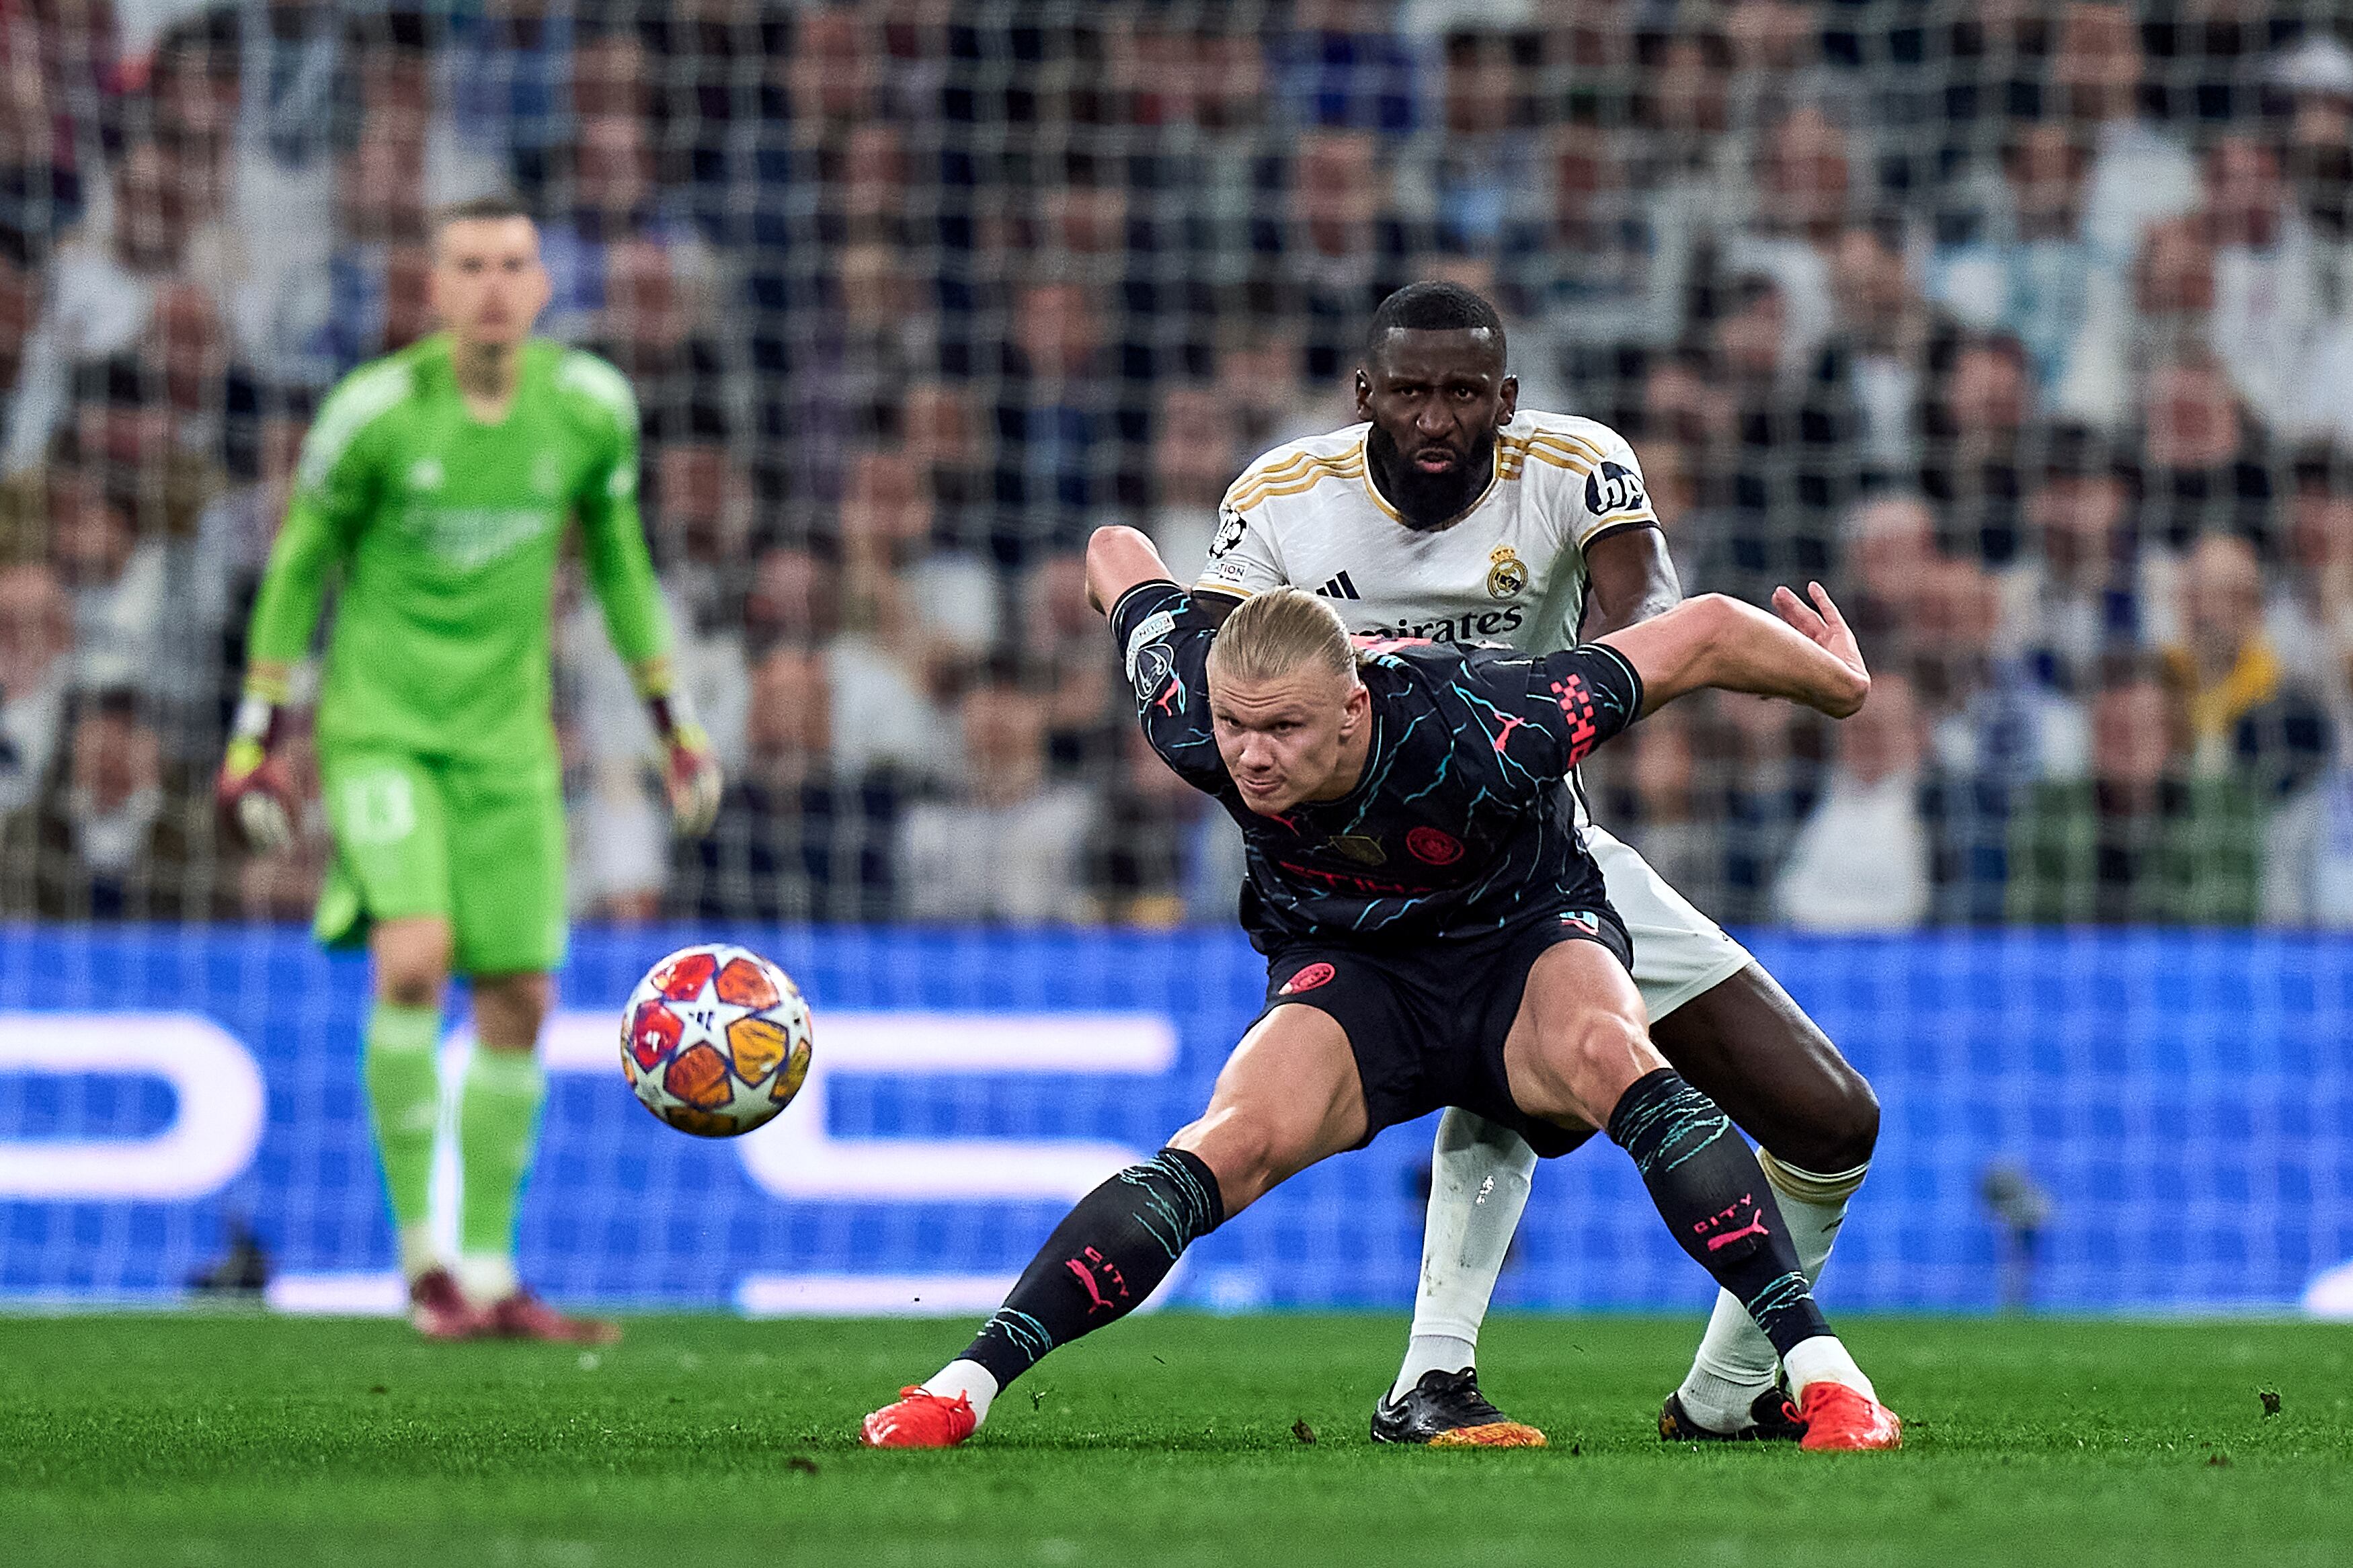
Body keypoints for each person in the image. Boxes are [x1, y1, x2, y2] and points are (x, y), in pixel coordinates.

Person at [859, 524, 1900, 1453]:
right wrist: (1145, 596)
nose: (1252, 760)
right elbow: (1116, 552)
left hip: (1521, 938)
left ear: (1355, 705)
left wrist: (1841, 688)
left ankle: (1823, 1375)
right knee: (1226, 1141)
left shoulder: (1495, 719)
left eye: (1286, 731)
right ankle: (961, 1387)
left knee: (1614, 1057)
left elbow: (1705, 631)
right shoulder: (1188, 705)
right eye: (1236, 728)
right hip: (1355, 963)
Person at [1192, 282, 1880, 1446]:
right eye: (1409, 391)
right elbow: (1209, 678)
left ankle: (1721, 1399)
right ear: (1365, 395)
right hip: (1366, 872)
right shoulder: (1280, 499)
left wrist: (1471, 705)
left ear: (1504, 402)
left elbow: (1652, 620)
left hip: (1546, 847)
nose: (1436, 417)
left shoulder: (1575, 466)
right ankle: (1431, 1375)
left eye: (1465, 393)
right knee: (1505, 1052)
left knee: (1832, 1119)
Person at [216, 194, 722, 1342]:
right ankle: (422, 1264)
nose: (493, 283)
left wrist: (674, 724)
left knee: (521, 996)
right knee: (416, 956)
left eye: (513, 263)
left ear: (543, 286)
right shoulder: (375, 415)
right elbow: (299, 566)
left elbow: (623, 566)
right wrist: (255, 736)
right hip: (383, 729)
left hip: (509, 741)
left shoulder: (588, 410)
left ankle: (490, 1274)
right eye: (468, 265)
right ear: (433, 289)